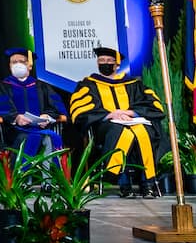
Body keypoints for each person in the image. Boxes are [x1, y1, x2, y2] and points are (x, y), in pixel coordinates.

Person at [69, 46, 165, 197]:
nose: (104, 63)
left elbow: (152, 104)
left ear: (116, 64)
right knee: (121, 133)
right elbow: (81, 110)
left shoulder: (133, 83)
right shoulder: (89, 84)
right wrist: (111, 114)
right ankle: (124, 183)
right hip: (105, 126)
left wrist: (130, 113)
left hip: (133, 122)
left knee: (143, 132)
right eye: (101, 60)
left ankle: (147, 184)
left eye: (108, 60)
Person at [0, 47, 64, 156]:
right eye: (14, 62)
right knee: (30, 137)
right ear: (9, 66)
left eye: (22, 61)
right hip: (14, 131)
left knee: (51, 138)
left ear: (29, 65)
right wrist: (16, 118)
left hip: (42, 128)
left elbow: (55, 107)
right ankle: (23, 173)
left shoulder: (42, 86)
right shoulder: (2, 87)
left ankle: (48, 173)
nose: (18, 64)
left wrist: (47, 117)